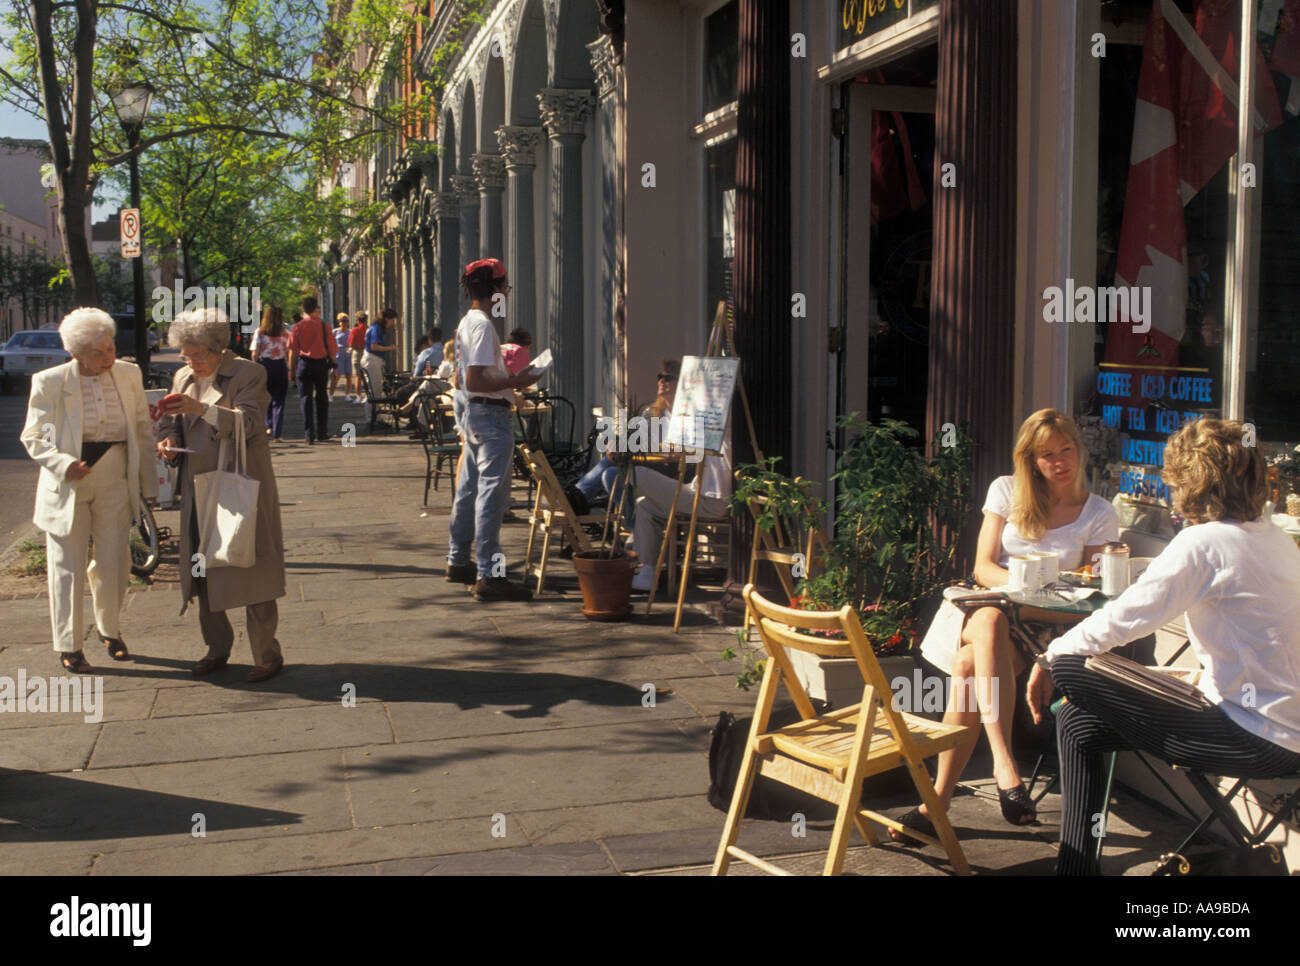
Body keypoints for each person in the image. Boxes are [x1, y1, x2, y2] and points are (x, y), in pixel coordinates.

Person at [1027, 418, 1300, 875]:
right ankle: (1075, 870)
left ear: (1190, 480)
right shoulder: (1272, 536)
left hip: (1255, 738)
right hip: (1277, 728)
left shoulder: (1204, 541)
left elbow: (1125, 617)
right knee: (1078, 719)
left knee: (1072, 667)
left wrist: (1048, 658)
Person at [894, 409, 1120, 841]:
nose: (1059, 462)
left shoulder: (1099, 513)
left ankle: (936, 802)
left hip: (1051, 624)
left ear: (1080, 449)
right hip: (996, 607)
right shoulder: (1006, 491)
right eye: (1046, 454)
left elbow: (1091, 592)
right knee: (991, 618)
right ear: (1031, 460)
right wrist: (1025, 586)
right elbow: (982, 567)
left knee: (966, 667)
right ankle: (1004, 763)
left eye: (1067, 450)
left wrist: (1031, 597)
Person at [19, 308, 157, 671]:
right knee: (67, 565)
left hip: (115, 475)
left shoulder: (128, 374)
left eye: (110, 348)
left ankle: (109, 630)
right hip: (69, 482)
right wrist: (64, 464)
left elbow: (142, 428)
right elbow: (36, 436)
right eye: (98, 353)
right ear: (75, 353)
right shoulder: (50, 381)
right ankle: (69, 644)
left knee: (115, 560)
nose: (108, 357)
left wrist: (149, 483)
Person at [156, 308, 287, 683]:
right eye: (186, 354)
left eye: (199, 354)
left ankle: (266, 653)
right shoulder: (182, 375)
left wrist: (202, 409)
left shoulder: (249, 373)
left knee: (250, 564)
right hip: (197, 486)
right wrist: (168, 441)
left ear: (219, 348)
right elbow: (171, 423)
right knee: (202, 568)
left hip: (238, 484)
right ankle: (217, 647)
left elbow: (248, 423)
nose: (192, 362)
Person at [445, 258, 539, 601]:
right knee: (492, 494)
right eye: (506, 287)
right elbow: (475, 378)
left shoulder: (467, 323)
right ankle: (489, 573)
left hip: (474, 413)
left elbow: (463, 379)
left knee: (469, 489)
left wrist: (506, 387)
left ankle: (458, 560)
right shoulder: (483, 325)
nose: (506, 294)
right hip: (490, 418)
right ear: (496, 289)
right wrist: (517, 379)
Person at [626, 425, 732, 593]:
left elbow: (683, 449)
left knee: (636, 473)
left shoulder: (719, 428)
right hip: (700, 493)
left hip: (711, 501)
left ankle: (642, 553)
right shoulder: (715, 429)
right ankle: (648, 571)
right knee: (644, 505)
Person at [569, 358, 679, 517]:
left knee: (612, 473)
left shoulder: (682, 416)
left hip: (669, 469)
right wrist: (619, 444)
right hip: (649, 463)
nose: (662, 381)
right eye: (660, 377)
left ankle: (577, 496)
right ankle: (578, 497)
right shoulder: (654, 412)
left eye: (668, 378)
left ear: (680, 383)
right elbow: (635, 435)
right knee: (611, 465)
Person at [286, 296, 337, 444]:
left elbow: (293, 351)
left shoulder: (298, 327)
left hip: (304, 365)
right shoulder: (324, 326)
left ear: (303, 309)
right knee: (322, 398)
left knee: (305, 399)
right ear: (315, 308)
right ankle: (322, 431)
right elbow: (332, 349)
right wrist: (335, 366)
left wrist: (291, 369)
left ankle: (309, 435)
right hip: (321, 365)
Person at [250, 305, 289, 441]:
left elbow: (255, 353)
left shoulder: (259, 332)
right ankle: (277, 433)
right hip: (280, 366)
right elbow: (288, 351)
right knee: (279, 400)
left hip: (265, 365)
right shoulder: (285, 333)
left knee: (265, 398)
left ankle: (268, 426)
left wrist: (254, 369)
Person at [361, 308, 398, 425]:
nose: (392, 323)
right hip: (373, 359)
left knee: (375, 389)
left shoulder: (374, 327)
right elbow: (374, 346)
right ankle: (372, 418)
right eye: (392, 320)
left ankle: (374, 417)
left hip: (371, 359)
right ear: (387, 319)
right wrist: (390, 348)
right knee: (374, 390)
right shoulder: (377, 329)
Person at [330, 312, 356, 401]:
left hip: (348, 354)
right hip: (338, 354)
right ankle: (331, 395)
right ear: (339, 321)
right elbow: (330, 343)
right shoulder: (335, 331)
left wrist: (351, 348)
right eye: (342, 321)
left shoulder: (351, 331)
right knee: (336, 376)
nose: (344, 323)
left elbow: (353, 342)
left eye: (346, 321)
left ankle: (347, 395)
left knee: (349, 375)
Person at [348, 312, 369, 402]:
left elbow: (351, 343)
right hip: (367, 352)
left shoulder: (355, 330)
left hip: (357, 352)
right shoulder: (369, 329)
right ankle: (367, 396)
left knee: (358, 376)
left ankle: (358, 397)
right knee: (367, 375)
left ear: (357, 320)